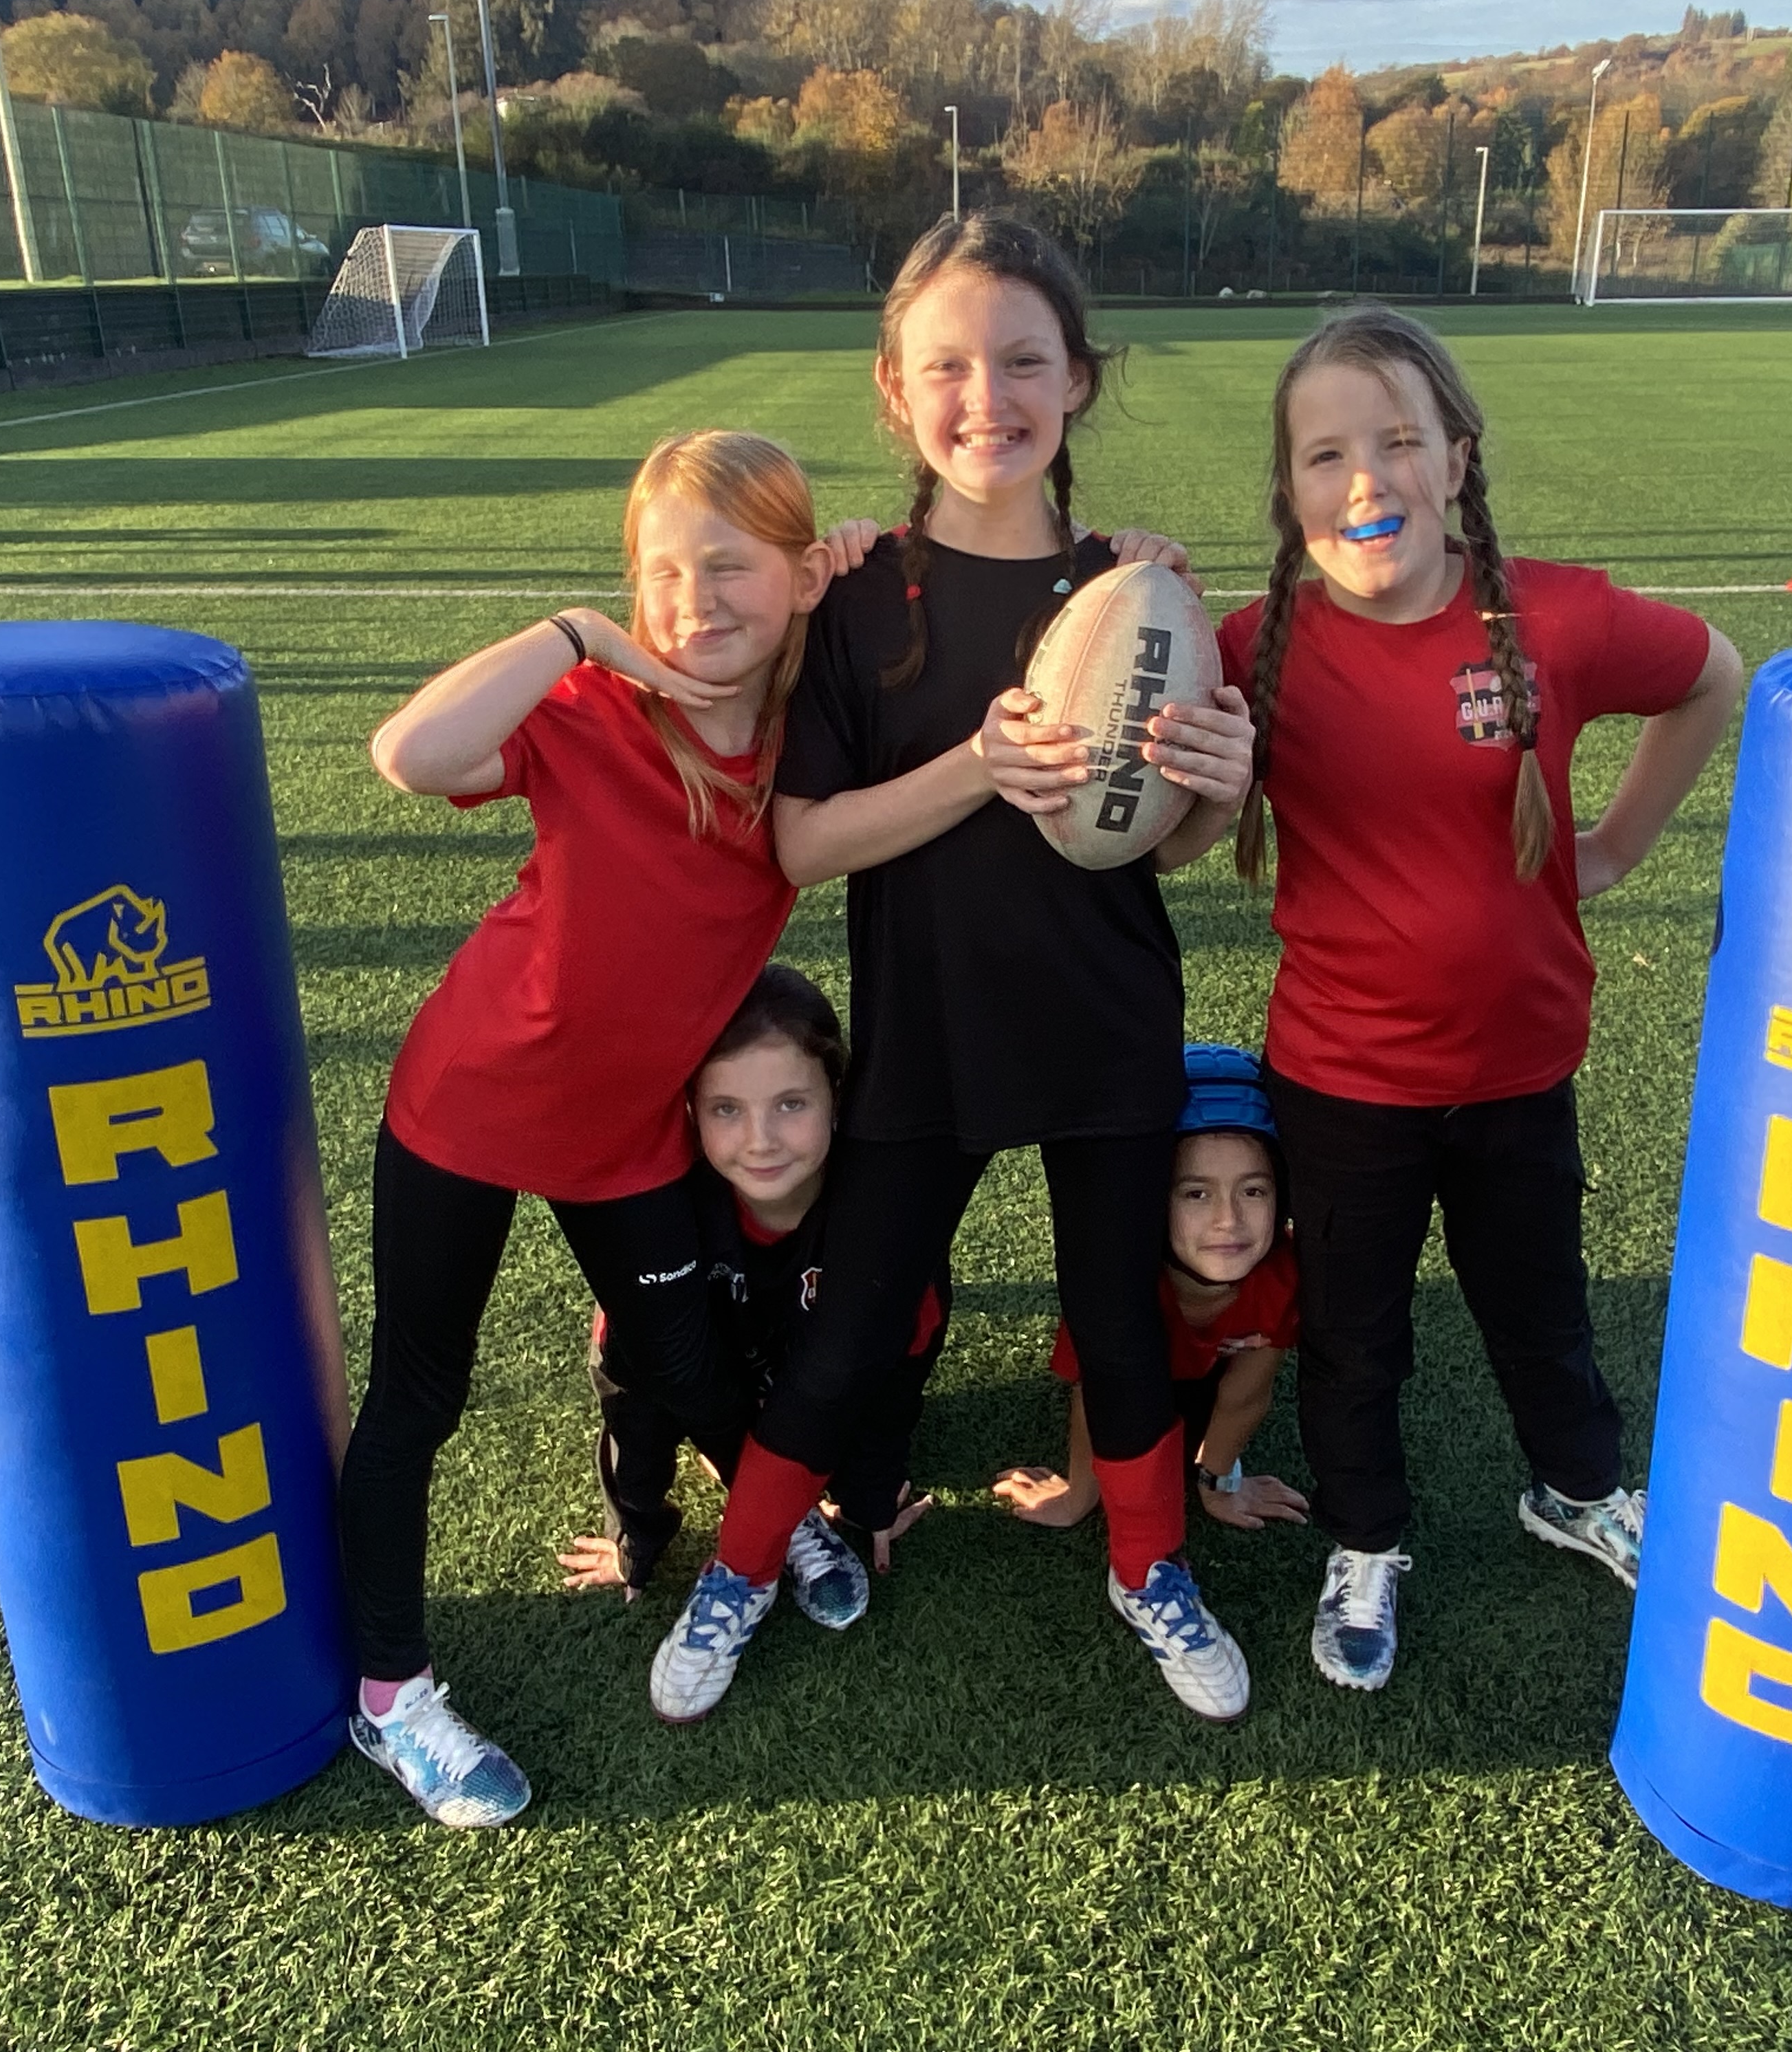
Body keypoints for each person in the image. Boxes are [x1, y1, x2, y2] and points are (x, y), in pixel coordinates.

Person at [648, 208, 1264, 1727]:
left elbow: (1149, 843)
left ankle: (1148, 1565)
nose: (988, 397)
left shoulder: (1144, 589)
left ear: (1080, 382)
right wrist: (981, 765)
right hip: (927, 1027)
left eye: (1024, 361)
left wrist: (1223, 792)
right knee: (853, 1315)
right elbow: (801, 844)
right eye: (949, 367)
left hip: (1107, 1014)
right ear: (893, 391)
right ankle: (743, 1568)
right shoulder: (857, 597)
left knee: (1117, 1312)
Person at [340, 430, 884, 1826]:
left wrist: (867, 564)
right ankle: (390, 1697)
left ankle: (776, 1536)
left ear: (795, 566)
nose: (694, 597)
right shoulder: (593, 710)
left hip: (630, 1128)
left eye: (731, 563)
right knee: (420, 1399)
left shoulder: (807, 741)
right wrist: (581, 634)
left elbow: (928, 607)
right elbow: (411, 753)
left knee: (688, 1367)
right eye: (660, 574)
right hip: (466, 1100)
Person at [1223, 305, 1745, 1692]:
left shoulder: (1555, 617)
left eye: (1399, 441)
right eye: (1325, 453)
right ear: (1289, 488)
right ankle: (1366, 1539)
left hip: (1520, 1064)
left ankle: (1575, 1487)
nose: (1365, 480)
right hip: (1339, 1081)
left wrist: (1618, 844)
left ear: (1458, 458)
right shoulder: (1246, 643)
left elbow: (1714, 675)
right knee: (1354, 1332)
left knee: (1538, 1303)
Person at [559, 965, 948, 1604]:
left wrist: (870, 1492)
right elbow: (629, 1381)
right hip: (715, 1390)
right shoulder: (671, 1215)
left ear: (838, 1097)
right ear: (691, 1110)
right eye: (726, 1110)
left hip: (818, 1391)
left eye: (791, 1104)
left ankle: (782, 1467)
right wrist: (636, 1526)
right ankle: (737, 1459)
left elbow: (902, 1365)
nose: (760, 1141)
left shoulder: (882, 1219)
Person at [995, 1043, 1308, 1535]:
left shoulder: (1282, 1273)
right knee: (1135, 1409)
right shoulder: (1111, 1280)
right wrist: (1080, 1493)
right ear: (1151, 1202)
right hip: (1127, 1374)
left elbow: (1248, 1393)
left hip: (1207, 1377)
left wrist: (1219, 1481)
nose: (1229, 1220)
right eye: (1196, 1193)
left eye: (1253, 1190)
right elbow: (1094, 1395)